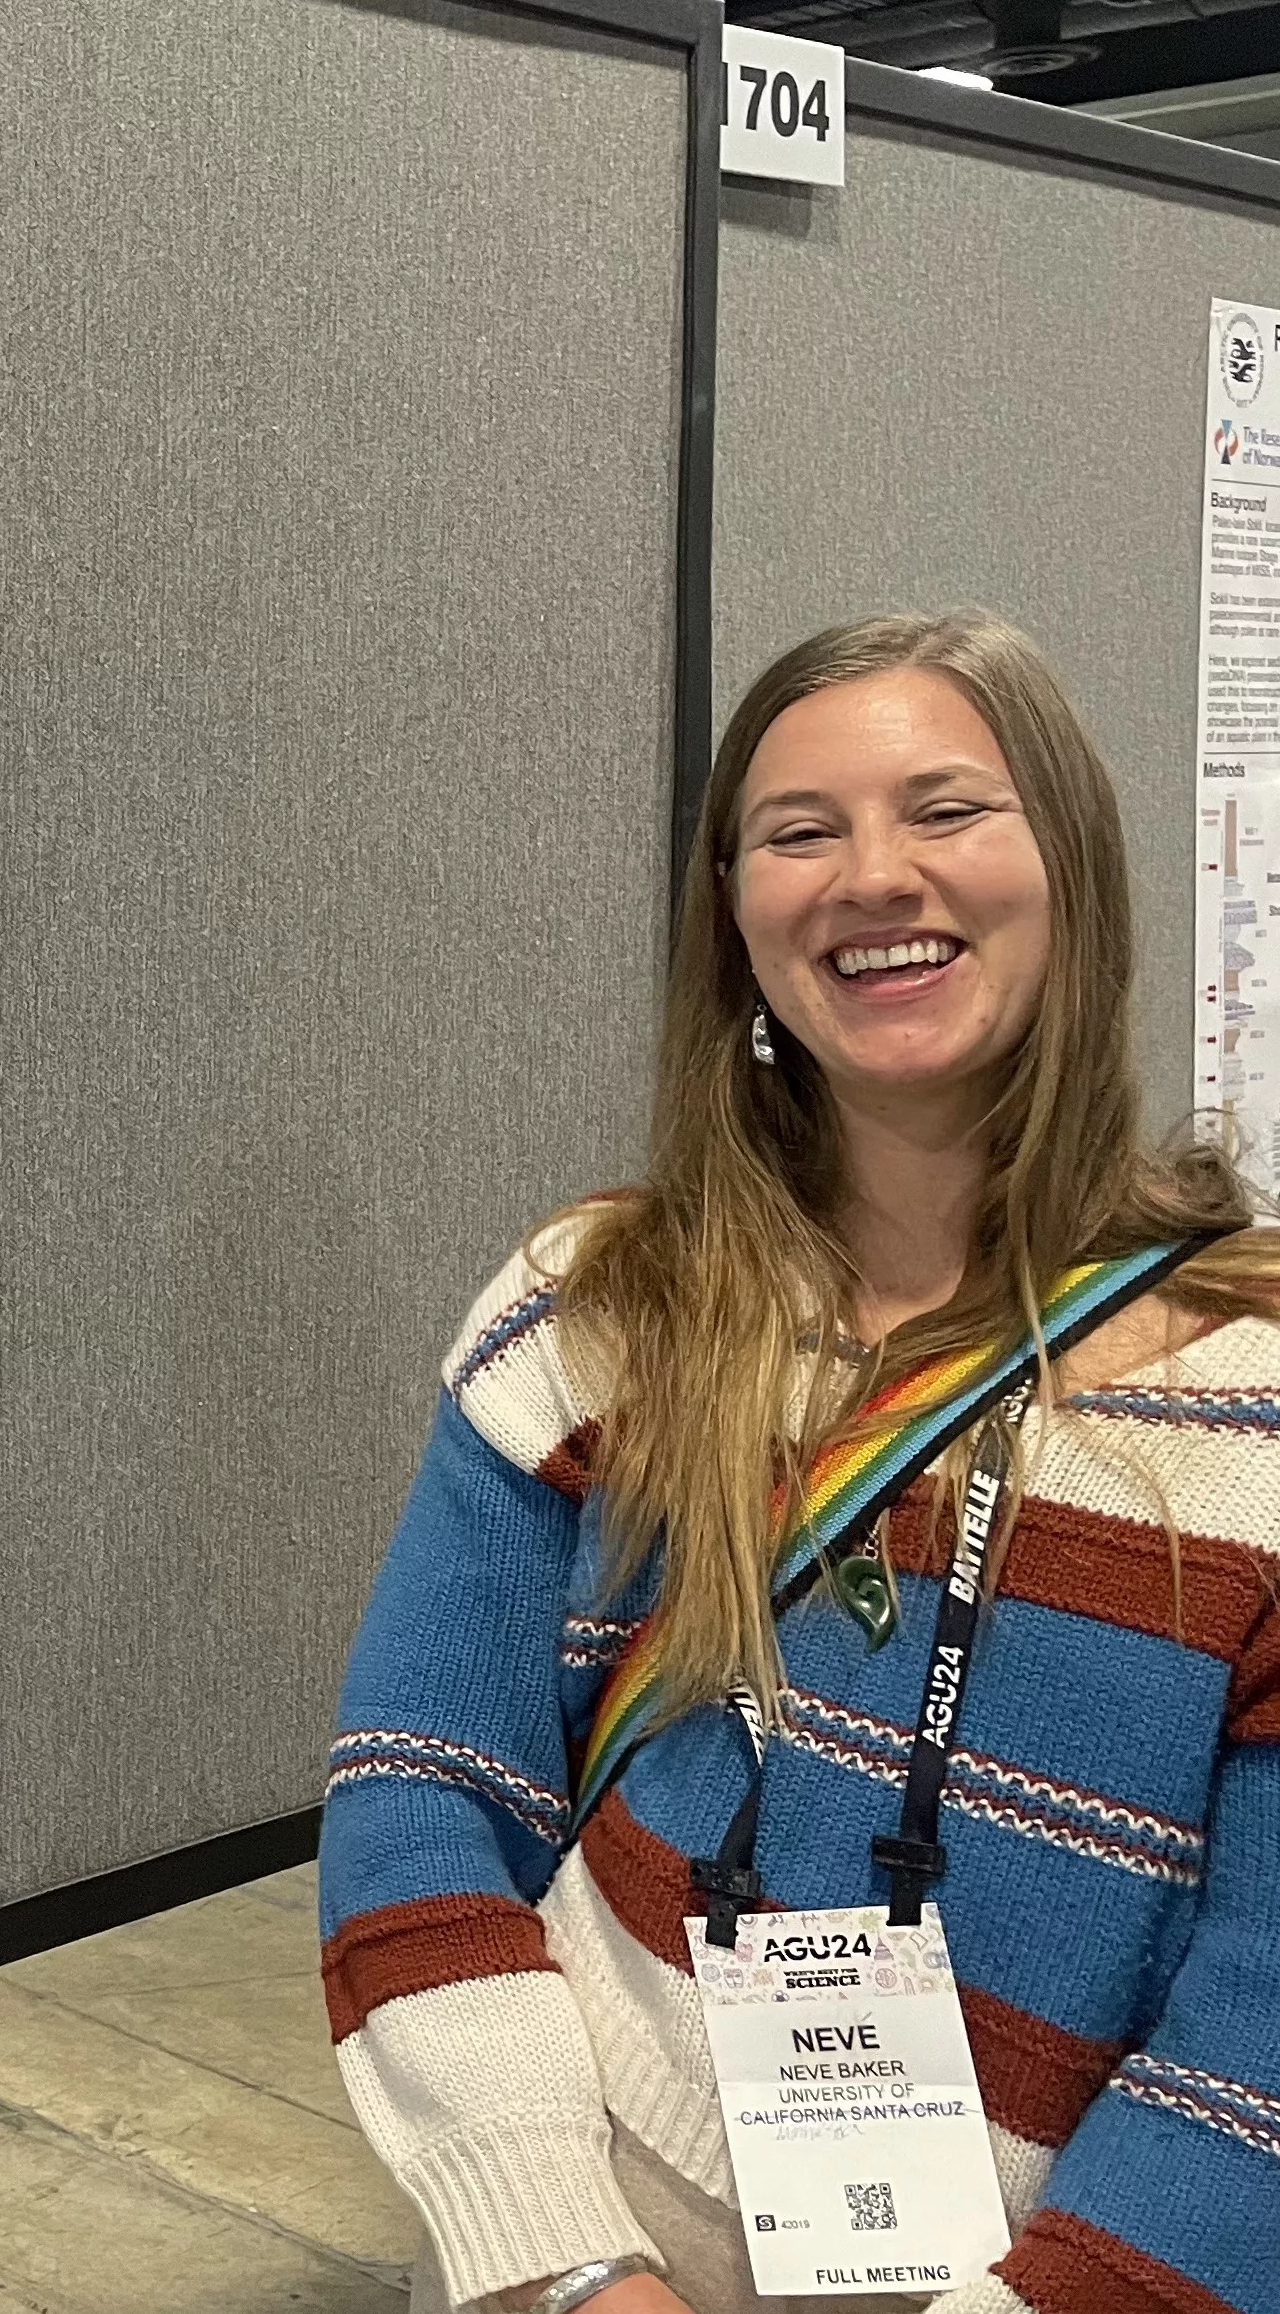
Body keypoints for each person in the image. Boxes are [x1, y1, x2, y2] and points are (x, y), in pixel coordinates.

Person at [321, 613, 1280, 2314]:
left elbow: (1258, 2046)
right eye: (798, 831)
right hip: (581, 2250)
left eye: (944, 809)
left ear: (1071, 868)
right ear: (734, 913)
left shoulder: (1255, 1397)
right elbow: (421, 1795)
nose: (872, 876)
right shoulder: (593, 1313)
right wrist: (560, 2259)